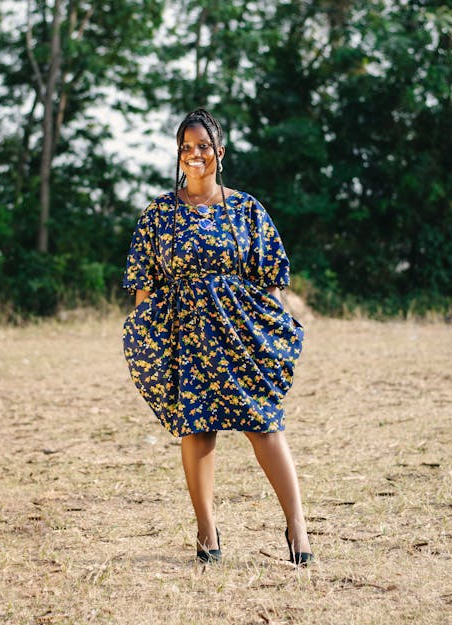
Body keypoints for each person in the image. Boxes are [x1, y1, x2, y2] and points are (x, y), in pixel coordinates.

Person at [122, 108, 313, 566]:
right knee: (197, 429)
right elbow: (144, 285)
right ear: (178, 153)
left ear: (219, 152)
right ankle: (207, 533)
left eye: (202, 146)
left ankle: (298, 526)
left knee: (264, 425)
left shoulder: (247, 208)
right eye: (186, 147)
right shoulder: (159, 215)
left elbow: (270, 280)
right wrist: (150, 334)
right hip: (186, 336)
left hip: (239, 335)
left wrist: (267, 332)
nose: (194, 155)